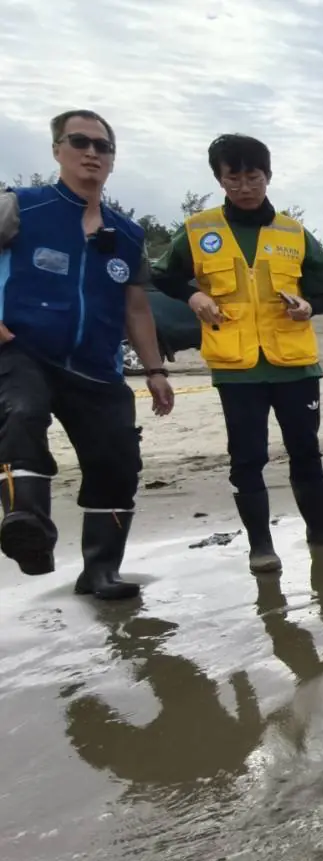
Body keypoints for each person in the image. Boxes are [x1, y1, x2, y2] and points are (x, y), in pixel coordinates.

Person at [153, 133, 323, 574]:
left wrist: (308, 307)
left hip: (295, 364)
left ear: (268, 176)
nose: (245, 187)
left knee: (306, 450)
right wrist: (192, 296)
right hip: (237, 368)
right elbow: (161, 277)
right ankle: (261, 547)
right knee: (247, 457)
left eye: (253, 176)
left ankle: (320, 529)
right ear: (219, 179)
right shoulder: (198, 230)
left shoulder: (293, 231)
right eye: (234, 178)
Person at [0, 109, 175, 598]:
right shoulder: (19, 207)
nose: (92, 153)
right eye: (80, 142)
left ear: (113, 161)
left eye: (103, 146)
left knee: (118, 460)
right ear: (57, 150)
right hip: (22, 349)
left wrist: (155, 369)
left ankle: (101, 570)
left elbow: (136, 309)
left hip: (97, 365)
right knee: (22, 412)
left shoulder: (128, 234)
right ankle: (27, 526)